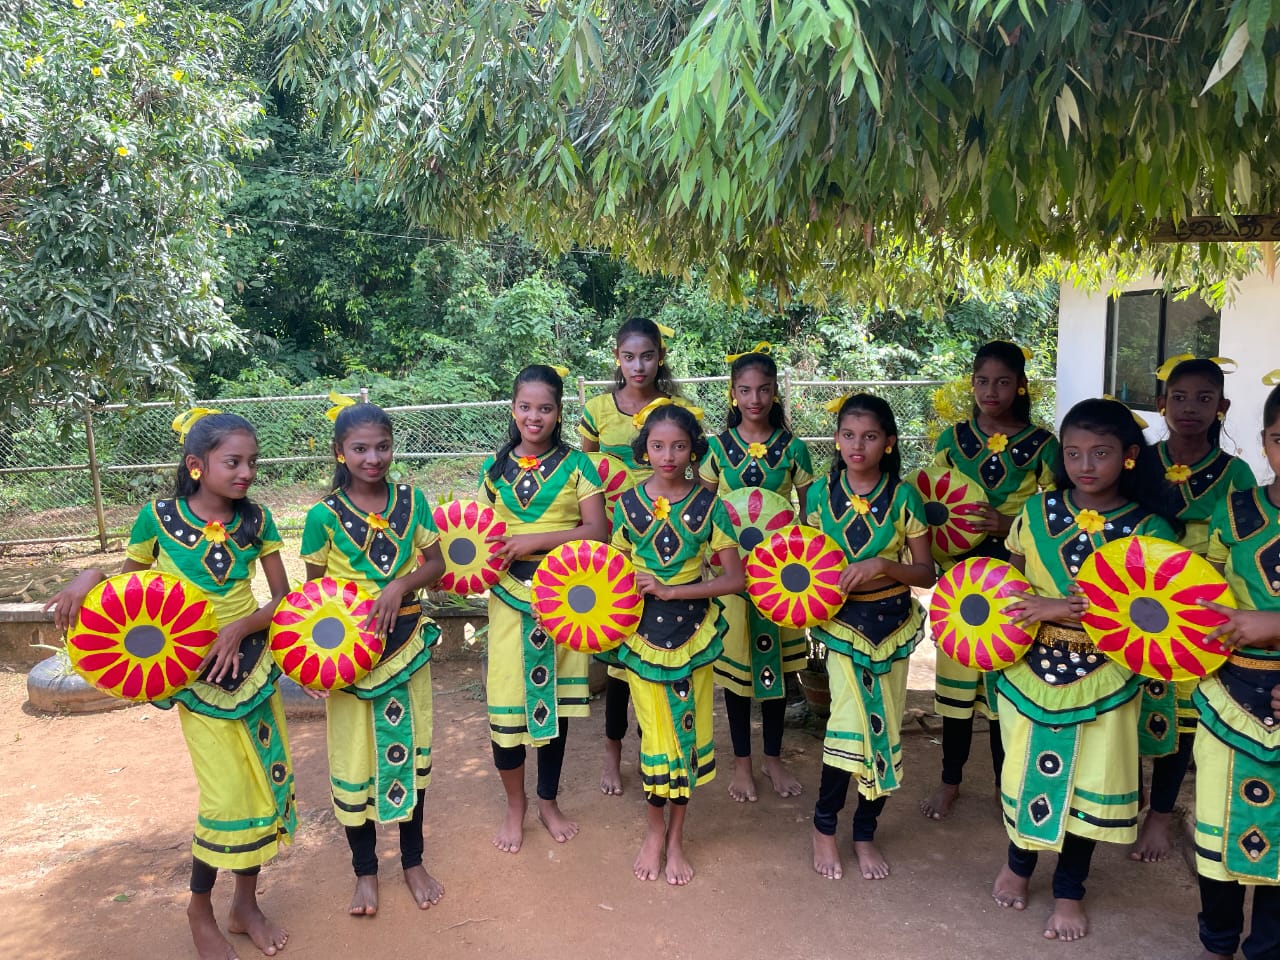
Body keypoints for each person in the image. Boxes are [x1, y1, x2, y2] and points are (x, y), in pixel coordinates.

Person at [47, 410, 294, 960]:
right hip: (194, 676)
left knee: (261, 783)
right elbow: (128, 584)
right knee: (225, 796)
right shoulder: (156, 518)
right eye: (233, 462)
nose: (246, 472)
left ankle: (245, 905)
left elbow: (284, 601)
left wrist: (239, 627)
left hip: (254, 666)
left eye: (252, 462)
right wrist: (89, 576)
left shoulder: (258, 520)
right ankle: (199, 909)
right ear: (196, 465)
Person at [991, 398, 1178, 942]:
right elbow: (1012, 584)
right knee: (1026, 772)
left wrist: (1061, 608)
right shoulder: (1034, 512)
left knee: (1087, 785)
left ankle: (1070, 888)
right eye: (1073, 453)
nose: (1085, 465)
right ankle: (1019, 863)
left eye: (1101, 452)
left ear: (1129, 455)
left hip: (1108, 676)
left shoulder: (1150, 528)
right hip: (1031, 671)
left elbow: (1155, 612)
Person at [301, 400, 445, 917]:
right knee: (354, 759)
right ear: (340, 452)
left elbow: (436, 563)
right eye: (360, 448)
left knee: (411, 749)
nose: (373, 458)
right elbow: (311, 599)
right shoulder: (322, 516)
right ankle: (365, 871)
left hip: (406, 646)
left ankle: (412, 861)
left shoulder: (413, 500)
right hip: (347, 657)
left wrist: (399, 586)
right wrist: (309, 663)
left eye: (382, 447)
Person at [604, 402, 743, 884]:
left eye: (679, 446)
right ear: (644, 449)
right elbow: (610, 572)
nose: (668, 456)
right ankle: (654, 831)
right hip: (641, 636)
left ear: (693, 450)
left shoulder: (712, 506)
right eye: (658, 446)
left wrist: (671, 590)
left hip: (694, 634)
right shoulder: (626, 505)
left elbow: (735, 579)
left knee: (687, 735)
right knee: (655, 737)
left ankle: (677, 837)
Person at [922, 341, 1059, 821]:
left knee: (1006, 685)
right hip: (960, 579)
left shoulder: (1043, 445)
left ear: (1021, 385)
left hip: (1017, 575)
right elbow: (933, 502)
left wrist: (1007, 525)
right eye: (982, 380)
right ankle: (950, 781)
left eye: (1003, 381)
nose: (991, 390)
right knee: (957, 685)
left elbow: (1054, 512)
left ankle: (1008, 785)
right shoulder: (952, 440)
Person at [1130, 356, 1254, 863]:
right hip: (1131, 602)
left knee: (1180, 714)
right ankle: (1125, 796)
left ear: (1222, 406)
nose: (1190, 408)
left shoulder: (1236, 473)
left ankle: (1161, 815)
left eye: (1204, 399)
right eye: (1179, 397)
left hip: (1199, 609)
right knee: (1126, 702)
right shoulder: (1139, 461)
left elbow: (1242, 544)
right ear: (1162, 403)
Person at [479, 365, 608, 853]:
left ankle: (548, 802)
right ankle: (516, 807)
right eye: (525, 407)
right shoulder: (493, 470)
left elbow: (598, 531)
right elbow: (481, 535)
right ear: (512, 409)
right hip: (508, 597)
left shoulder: (578, 466)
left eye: (546, 408)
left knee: (553, 704)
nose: (535, 416)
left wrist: (533, 541)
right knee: (506, 704)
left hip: (565, 598)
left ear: (559, 412)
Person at [808, 394, 935, 881]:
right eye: (848, 435)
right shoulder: (819, 496)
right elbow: (805, 562)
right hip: (842, 626)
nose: (857, 445)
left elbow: (925, 573)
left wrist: (882, 565)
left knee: (884, 730)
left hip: (893, 626)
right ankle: (824, 827)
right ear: (836, 439)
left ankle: (864, 832)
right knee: (848, 724)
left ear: (889, 443)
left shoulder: (904, 497)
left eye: (870, 436)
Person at [1190, 377, 1280, 960]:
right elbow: (1202, 596)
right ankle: (1218, 942)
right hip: (1230, 693)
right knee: (1218, 827)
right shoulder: (1235, 509)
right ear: (1264, 441)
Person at [700, 345, 814, 801]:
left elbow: (809, 514)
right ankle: (742, 764)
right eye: (745, 390)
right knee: (737, 677)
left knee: (776, 672)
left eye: (764, 390)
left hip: (782, 579)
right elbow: (702, 509)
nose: (755, 399)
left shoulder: (794, 449)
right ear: (733, 393)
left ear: (775, 393)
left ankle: (773, 758)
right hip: (732, 576)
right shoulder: (716, 449)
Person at [578, 317, 680, 796]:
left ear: (661, 357)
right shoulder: (597, 410)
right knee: (618, 658)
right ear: (616, 358)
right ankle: (612, 753)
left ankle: (652, 751)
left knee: (657, 653)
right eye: (628, 356)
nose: (638, 366)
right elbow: (586, 474)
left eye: (648, 356)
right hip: (615, 549)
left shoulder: (677, 411)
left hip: (668, 549)